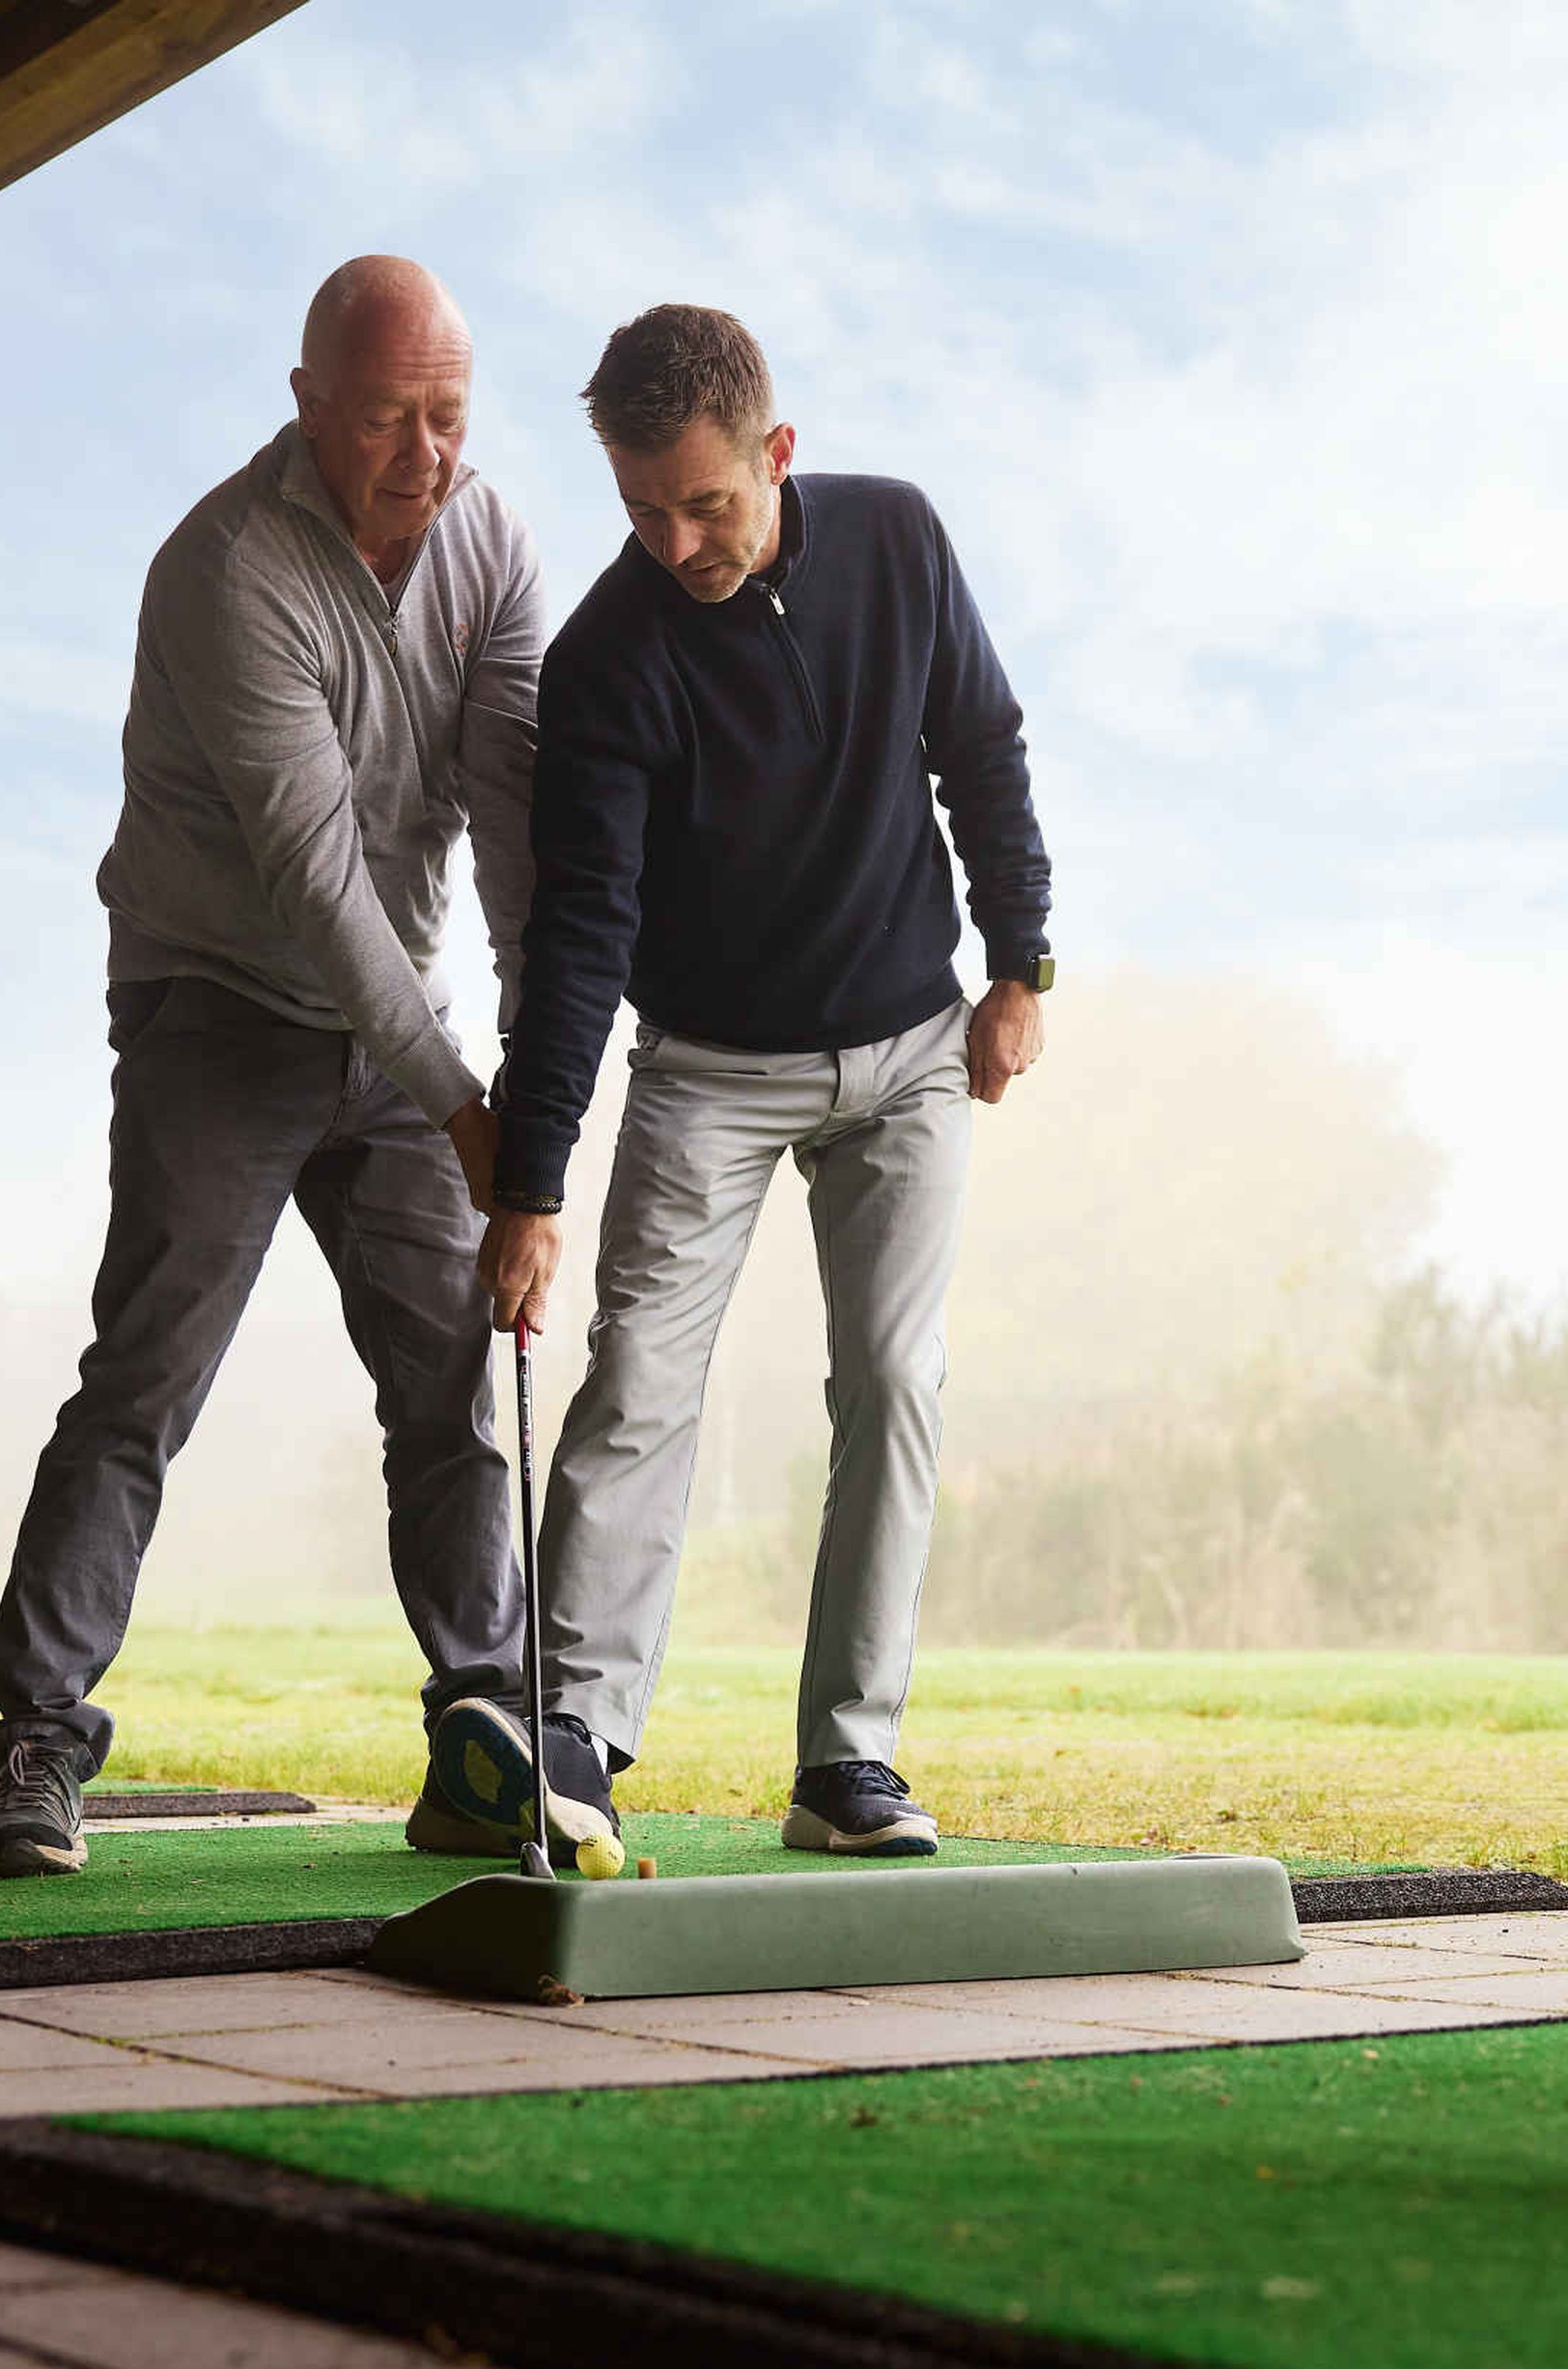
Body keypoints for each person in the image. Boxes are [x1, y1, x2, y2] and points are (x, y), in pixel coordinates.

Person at [0, 258, 549, 1880]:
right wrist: (464, 1107)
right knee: (149, 1371)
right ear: (307, 408)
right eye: (385, 419)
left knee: (447, 1395)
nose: (425, 455)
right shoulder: (226, 569)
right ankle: (35, 1753)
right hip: (218, 1008)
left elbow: (512, 830)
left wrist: (533, 1101)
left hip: (400, 1034)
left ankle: (490, 1737)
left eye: (449, 416)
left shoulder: (491, 540)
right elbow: (317, 887)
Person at [477, 304, 1052, 1865]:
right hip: (710, 1074)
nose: (676, 544)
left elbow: (982, 747)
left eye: (706, 504)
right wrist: (532, 1185)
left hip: (912, 1049)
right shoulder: (606, 660)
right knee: (640, 1383)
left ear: (776, 455)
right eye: (643, 511)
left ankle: (848, 1768)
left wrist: (1022, 963)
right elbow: (581, 930)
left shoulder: (898, 541)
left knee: (892, 1380)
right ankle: (576, 1740)